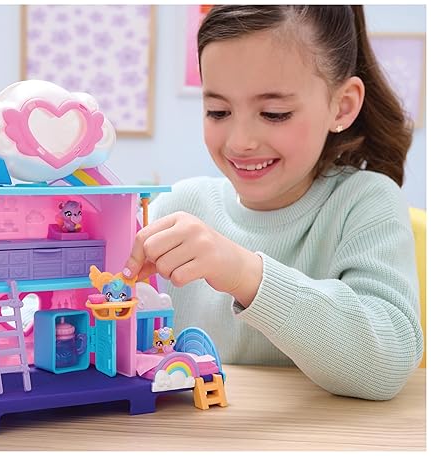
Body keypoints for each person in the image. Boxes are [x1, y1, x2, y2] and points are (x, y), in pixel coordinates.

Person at [124, 5, 423, 400]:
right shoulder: (177, 207)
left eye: (274, 113)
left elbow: (388, 363)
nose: (240, 142)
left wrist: (247, 274)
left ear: (342, 105)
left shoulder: (365, 201)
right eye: (218, 111)